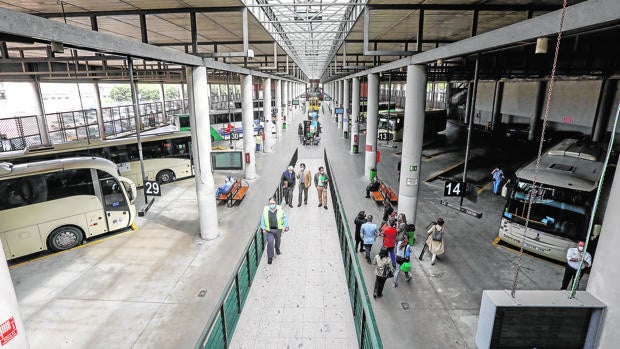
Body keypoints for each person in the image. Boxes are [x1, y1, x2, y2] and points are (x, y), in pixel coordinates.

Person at [260, 197, 290, 265]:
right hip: (269, 230)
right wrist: (263, 228)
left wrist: (287, 226)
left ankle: (277, 248)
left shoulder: (280, 209)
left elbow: (284, 217)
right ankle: (270, 257)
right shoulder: (265, 210)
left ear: (275, 203)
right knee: (270, 242)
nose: (272, 205)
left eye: (273, 203)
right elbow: (262, 220)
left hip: (278, 229)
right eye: (270, 203)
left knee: (278, 240)